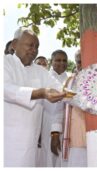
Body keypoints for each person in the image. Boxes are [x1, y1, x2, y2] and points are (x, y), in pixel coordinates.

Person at [4, 27, 66, 167]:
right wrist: (40, 93)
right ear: (14, 44)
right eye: (30, 45)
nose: (34, 50)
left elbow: (59, 89)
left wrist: (85, 91)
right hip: (7, 140)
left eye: (37, 47)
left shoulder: (40, 72)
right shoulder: (5, 63)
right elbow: (6, 89)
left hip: (30, 142)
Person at [39, 50, 69, 167]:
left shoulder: (70, 79)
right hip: (46, 123)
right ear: (51, 62)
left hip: (65, 125)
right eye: (58, 60)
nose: (62, 63)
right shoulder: (44, 77)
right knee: (47, 158)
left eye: (64, 60)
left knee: (63, 159)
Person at [62, 50, 88, 167]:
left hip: (95, 128)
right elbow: (64, 97)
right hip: (75, 127)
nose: (81, 64)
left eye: (84, 61)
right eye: (79, 62)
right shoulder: (70, 80)